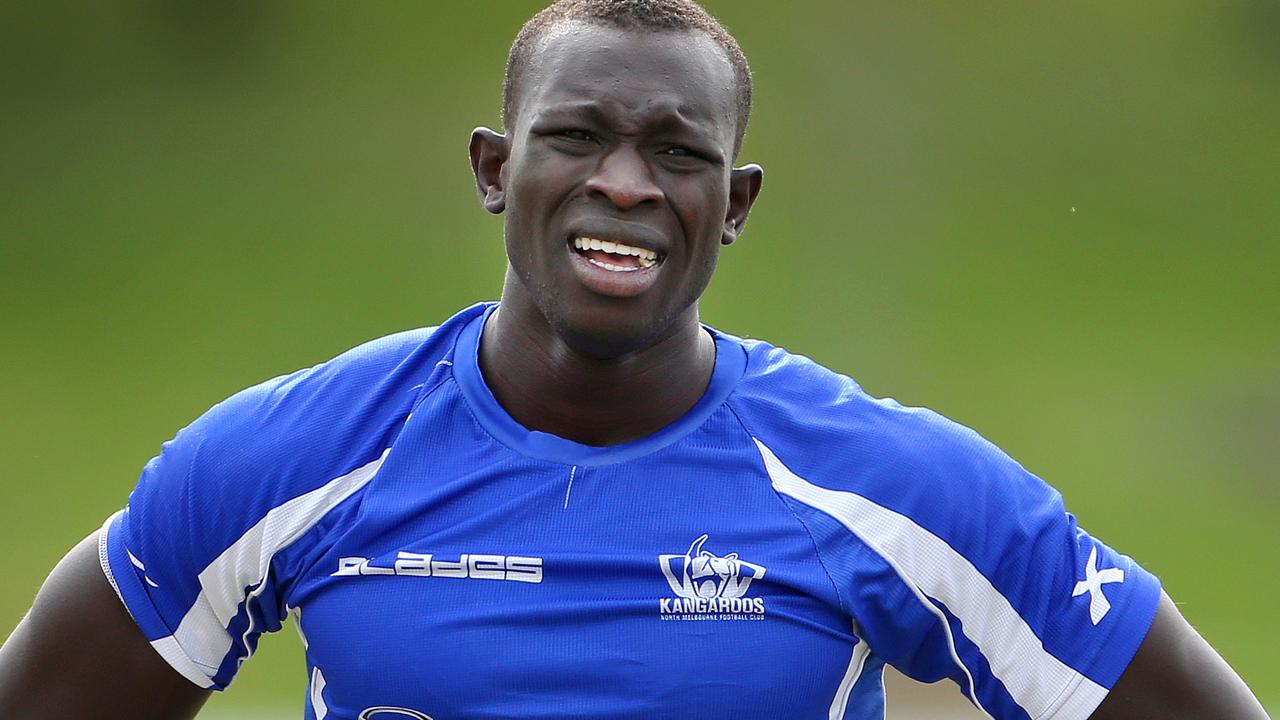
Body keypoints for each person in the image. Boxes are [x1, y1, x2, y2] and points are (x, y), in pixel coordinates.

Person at [0, 1, 1270, 718]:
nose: (625, 183)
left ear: (735, 203)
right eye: (577, 135)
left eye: (676, 152)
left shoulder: (885, 486)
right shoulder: (297, 457)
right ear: (496, 173)